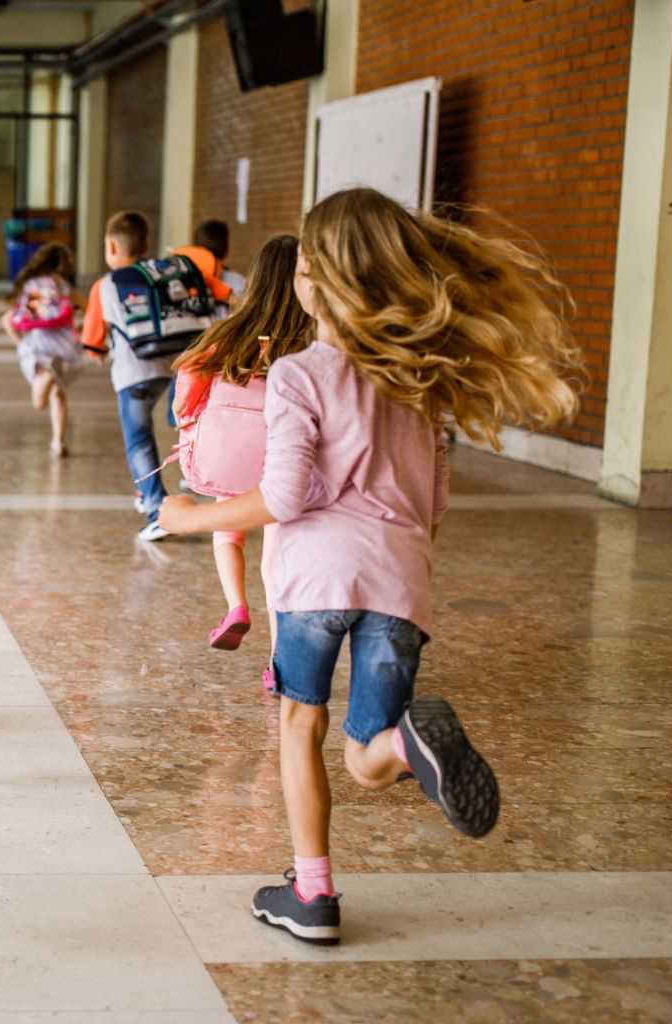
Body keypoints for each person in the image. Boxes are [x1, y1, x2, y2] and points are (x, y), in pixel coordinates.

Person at [154, 187, 580, 944]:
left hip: (315, 580)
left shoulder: (299, 373)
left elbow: (282, 496)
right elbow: (434, 505)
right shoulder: (423, 382)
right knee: (365, 756)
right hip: (400, 582)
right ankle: (406, 745)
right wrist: (406, 577)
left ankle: (313, 894)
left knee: (299, 723)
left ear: (314, 277)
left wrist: (192, 518)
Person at [171, 236, 313, 671]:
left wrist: (188, 419)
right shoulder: (309, 339)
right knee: (275, 560)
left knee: (227, 534)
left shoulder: (229, 334)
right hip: (285, 462)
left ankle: (236, 607)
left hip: (233, 455)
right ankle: (278, 660)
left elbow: (185, 392)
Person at [80, 211, 189, 541]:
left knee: (139, 442)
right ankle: (146, 493)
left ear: (111, 246)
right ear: (145, 244)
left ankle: (157, 511)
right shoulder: (160, 272)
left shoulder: (106, 284)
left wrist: (96, 353)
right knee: (156, 431)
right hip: (170, 367)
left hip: (134, 373)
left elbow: (93, 339)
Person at [0, 242, 83, 457]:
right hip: (63, 345)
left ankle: (47, 372)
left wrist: (21, 344)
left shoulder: (31, 285)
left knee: (39, 402)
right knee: (59, 393)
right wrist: (80, 327)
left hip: (38, 344)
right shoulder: (64, 286)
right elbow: (89, 308)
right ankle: (58, 442)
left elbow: (8, 319)